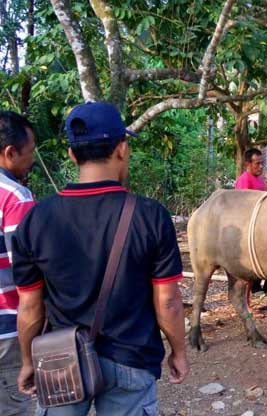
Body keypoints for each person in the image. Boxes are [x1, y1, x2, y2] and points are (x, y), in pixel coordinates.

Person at [13, 102, 188, 415]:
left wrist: (28, 361)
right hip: (131, 360)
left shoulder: (37, 218)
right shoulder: (151, 216)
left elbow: (29, 307)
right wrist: (179, 351)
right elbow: (168, 302)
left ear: (71, 155)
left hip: (59, 360)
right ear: (121, 149)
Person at [0, 111, 36, 416]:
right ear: (10, 153)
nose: (31, 160)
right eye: (30, 152)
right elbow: (28, 273)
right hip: (7, 330)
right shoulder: (15, 197)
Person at [235, 148, 267, 317]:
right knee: (246, 272)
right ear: (248, 164)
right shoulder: (244, 180)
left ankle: (248, 304)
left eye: (262, 163)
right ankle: (245, 307)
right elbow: (243, 208)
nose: (261, 166)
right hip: (247, 232)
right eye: (257, 163)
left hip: (258, 230)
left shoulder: (260, 181)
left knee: (252, 273)